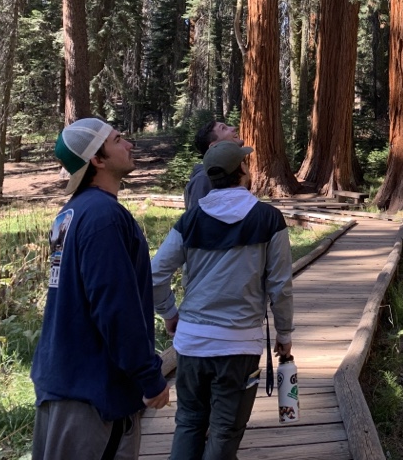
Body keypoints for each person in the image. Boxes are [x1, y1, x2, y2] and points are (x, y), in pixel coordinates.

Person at [31, 118, 170, 460]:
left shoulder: (71, 214)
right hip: (94, 396)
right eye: (118, 139)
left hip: (64, 381)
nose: (129, 144)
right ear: (97, 159)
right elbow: (115, 305)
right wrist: (149, 376)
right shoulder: (104, 217)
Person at [152, 142, 294, 460]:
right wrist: (284, 335)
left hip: (191, 343)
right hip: (238, 345)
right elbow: (280, 286)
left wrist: (170, 313)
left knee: (188, 423)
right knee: (225, 431)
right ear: (241, 170)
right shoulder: (268, 219)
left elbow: (154, 276)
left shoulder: (190, 221)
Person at [183, 120, 241, 210]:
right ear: (214, 146)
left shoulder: (229, 173)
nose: (233, 128)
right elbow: (198, 220)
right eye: (223, 128)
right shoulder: (203, 179)